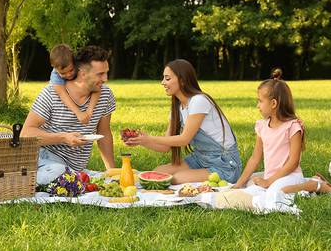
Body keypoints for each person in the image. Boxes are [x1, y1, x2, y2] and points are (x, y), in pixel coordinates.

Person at [124, 59, 241, 184]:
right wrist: (141, 141)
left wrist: (150, 138)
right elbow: (165, 146)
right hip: (200, 159)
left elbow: (184, 139)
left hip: (224, 164)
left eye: (167, 78)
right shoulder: (178, 107)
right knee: (157, 172)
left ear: (182, 80)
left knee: (177, 179)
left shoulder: (199, 101)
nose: (162, 82)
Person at [21, 45, 116, 185]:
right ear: (82, 73)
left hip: (74, 169)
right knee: (59, 172)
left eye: (106, 72)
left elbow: (104, 133)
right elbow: (25, 134)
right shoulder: (50, 94)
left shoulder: (105, 95)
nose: (106, 78)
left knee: (74, 177)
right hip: (43, 160)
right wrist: (63, 137)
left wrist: (112, 173)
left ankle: (70, 178)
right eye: (100, 74)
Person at [232, 68, 306, 200]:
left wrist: (269, 182)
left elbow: (293, 162)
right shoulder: (262, 126)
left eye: (260, 101)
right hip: (271, 177)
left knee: (275, 193)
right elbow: (255, 159)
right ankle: (271, 186)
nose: (257, 105)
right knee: (249, 189)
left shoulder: (292, 127)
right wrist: (239, 184)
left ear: (273, 103)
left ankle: (312, 185)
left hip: (290, 176)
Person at [49, 44, 100, 124]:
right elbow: (62, 94)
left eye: (71, 70)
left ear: (74, 61)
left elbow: (97, 87)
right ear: (55, 68)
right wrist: (78, 113)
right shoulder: (55, 74)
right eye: (63, 73)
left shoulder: (81, 65)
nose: (68, 75)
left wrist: (90, 110)